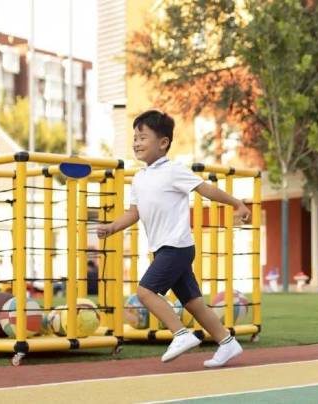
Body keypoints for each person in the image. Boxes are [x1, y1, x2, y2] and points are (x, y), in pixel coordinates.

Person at [97, 110, 251, 368]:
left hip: (177, 246)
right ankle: (227, 342)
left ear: (163, 142)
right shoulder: (139, 178)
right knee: (194, 303)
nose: (136, 143)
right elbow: (134, 213)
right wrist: (113, 227)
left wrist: (237, 203)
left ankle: (181, 334)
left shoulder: (173, 170)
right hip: (162, 249)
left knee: (145, 292)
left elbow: (206, 190)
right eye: (135, 138)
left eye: (143, 138)